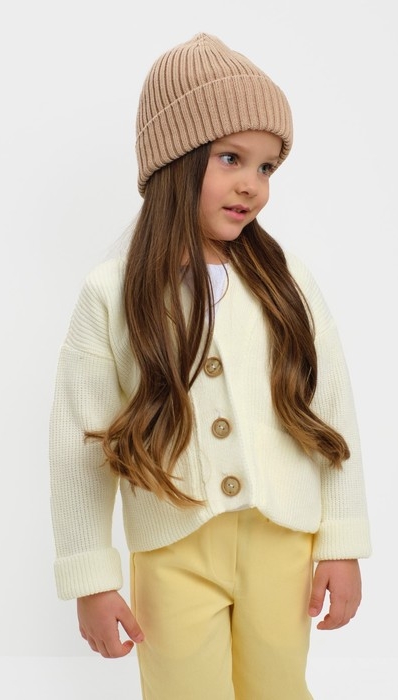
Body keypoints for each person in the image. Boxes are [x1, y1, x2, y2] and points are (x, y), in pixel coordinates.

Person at [49, 32, 372, 700]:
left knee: (278, 688)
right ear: (175, 159)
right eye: (231, 158)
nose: (253, 184)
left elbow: (332, 412)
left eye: (267, 167)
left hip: (283, 542)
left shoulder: (288, 283)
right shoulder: (111, 292)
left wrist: (341, 542)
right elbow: (77, 444)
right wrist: (90, 578)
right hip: (172, 553)